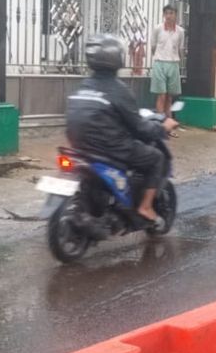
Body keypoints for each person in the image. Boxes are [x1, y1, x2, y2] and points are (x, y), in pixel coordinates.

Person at [66, 34, 179, 227]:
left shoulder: (85, 85)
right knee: (156, 159)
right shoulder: (118, 89)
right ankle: (145, 207)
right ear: (117, 59)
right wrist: (162, 128)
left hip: (80, 147)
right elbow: (140, 128)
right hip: (111, 147)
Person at [149, 4, 185, 116]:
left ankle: (168, 125)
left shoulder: (180, 31)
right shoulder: (158, 28)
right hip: (160, 63)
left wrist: (180, 63)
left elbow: (181, 48)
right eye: (166, 13)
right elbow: (153, 47)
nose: (168, 16)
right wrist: (159, 57)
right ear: (163, 15)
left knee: (169, 97)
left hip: (173, 64)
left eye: (171, 13)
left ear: (176, 15)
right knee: (162, 95)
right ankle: (160, 124)